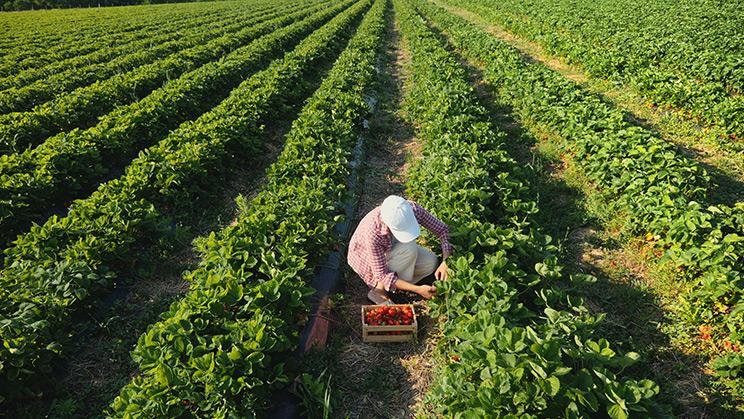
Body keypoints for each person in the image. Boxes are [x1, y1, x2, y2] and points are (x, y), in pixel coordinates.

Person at [347, 195, 452, 305]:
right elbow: (381, 274)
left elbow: (443, 230)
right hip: (365, 258)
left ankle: (398, 283)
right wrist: (418, 290)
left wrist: (446, 261)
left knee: (431, 263)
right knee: (409, 249)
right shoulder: (374, 232)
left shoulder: (412, 209)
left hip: (393, 246)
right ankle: (379, 290)